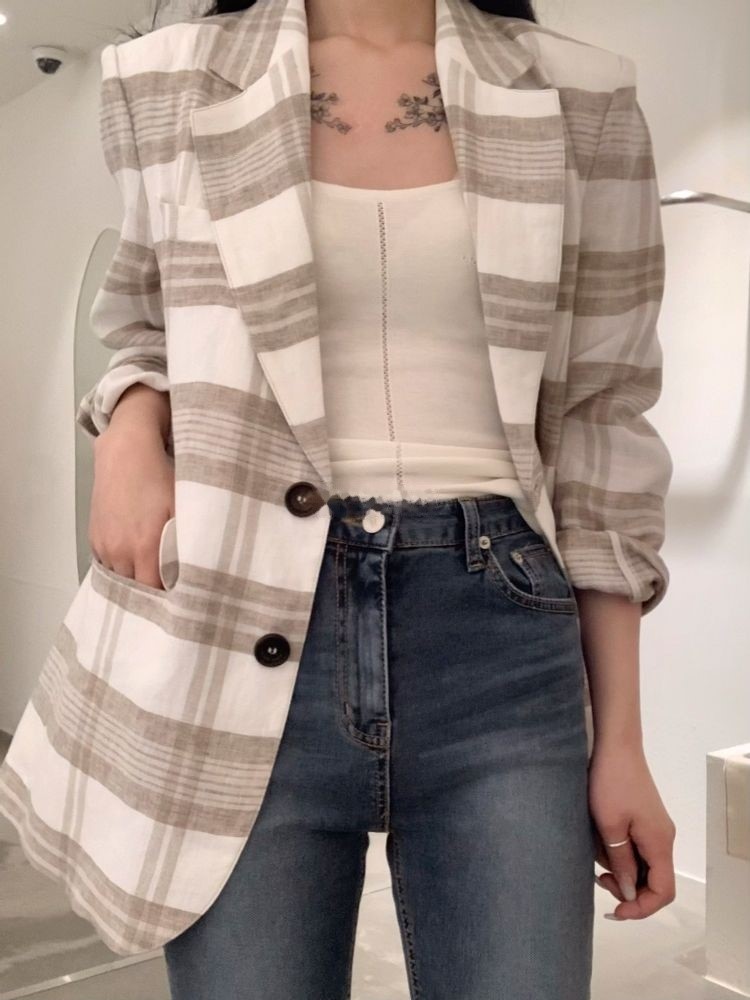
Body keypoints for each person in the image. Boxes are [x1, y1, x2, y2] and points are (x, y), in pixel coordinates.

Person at [0, 0, 677, 996]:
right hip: (238, 625)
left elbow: (601, 422)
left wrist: (621, 741)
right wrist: (128, 426)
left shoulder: (584, 94)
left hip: (500, 647)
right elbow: (145, 319)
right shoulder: (167, 77)